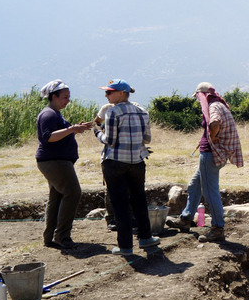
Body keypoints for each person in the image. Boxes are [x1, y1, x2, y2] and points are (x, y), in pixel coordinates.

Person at [167, 82, 243, 242]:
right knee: (194, 185)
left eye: (198, 97)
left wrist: (212, 137)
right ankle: (186, 219)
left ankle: (218, 228)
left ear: (203, 95)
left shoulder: (213, 107)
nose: (197, 100)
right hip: (211, 154)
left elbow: (214, 123)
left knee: (210, 192)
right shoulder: (219, 104)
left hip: (209, 155)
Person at [93, 79, 158, 255]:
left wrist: (97, 132)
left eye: (109, 92)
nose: (106, 95)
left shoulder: (112, 112)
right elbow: (147, 139)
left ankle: (125, 246)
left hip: (114, 162)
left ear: (122, 93)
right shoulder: (142, 112)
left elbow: (110, 141)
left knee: (120, 204)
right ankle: (146, 238)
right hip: (137, 162)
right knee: (139, 200)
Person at [35, 80, 92, 249]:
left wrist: (74, 128)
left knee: (57, 196)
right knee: (73, 192)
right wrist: (71, 129)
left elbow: (59, 134)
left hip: (55, 161)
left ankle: (50, 237)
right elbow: (48, 137)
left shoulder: (55, 114)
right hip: (55, 162)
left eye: (69, 97)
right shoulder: (49, 115)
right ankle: (62, 236)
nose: (68, 100)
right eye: (65, 97)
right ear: (54, 96)